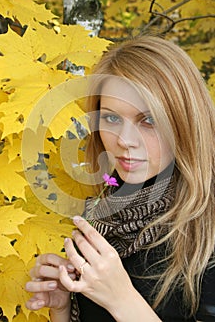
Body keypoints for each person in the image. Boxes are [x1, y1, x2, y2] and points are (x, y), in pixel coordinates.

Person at [25, 35, 215, 322]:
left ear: (185, 121)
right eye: (112, 119)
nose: (125, 141)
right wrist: (62, 308)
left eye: (148, 120)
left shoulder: (207, 231)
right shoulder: (105, 216)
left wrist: (121, 300)